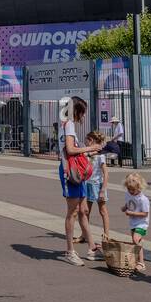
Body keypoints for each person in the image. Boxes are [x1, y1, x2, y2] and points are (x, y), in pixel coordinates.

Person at [57, 97, 102, 264]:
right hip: (71, 171)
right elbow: (70, 149)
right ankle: (70, 251)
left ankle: (91, 247)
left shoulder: (67, 124)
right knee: (73, 211)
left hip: (76, 169)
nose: (83, 116)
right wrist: (91, 148)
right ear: (76, 110)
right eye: (82, 112)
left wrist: (88, 153)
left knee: (84, 210)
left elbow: (71, 150)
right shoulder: (68, 124)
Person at [83, 129, 110, 240]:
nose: (84, 141)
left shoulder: (100, 156)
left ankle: (107, 235)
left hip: (97, 184)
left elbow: (106, 173)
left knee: (102, 210)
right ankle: (84, 234)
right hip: (88, 184)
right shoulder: (87, 153)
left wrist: (103, 189)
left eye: (86, 140)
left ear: (91, 141)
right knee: (86, 211)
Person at [121, 172, 149, 273]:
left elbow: (145, 213)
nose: (131, 191)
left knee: (136, 239)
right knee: (136, 242)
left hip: (142, 223)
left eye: (133, 189)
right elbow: (129, 202)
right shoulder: (128, 194)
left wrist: (132, 213)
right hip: (133, 222)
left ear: (139, 187)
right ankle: (140, 261)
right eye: (129, 189)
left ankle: (141, 263)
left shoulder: (143, 199)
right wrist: (125, 207)